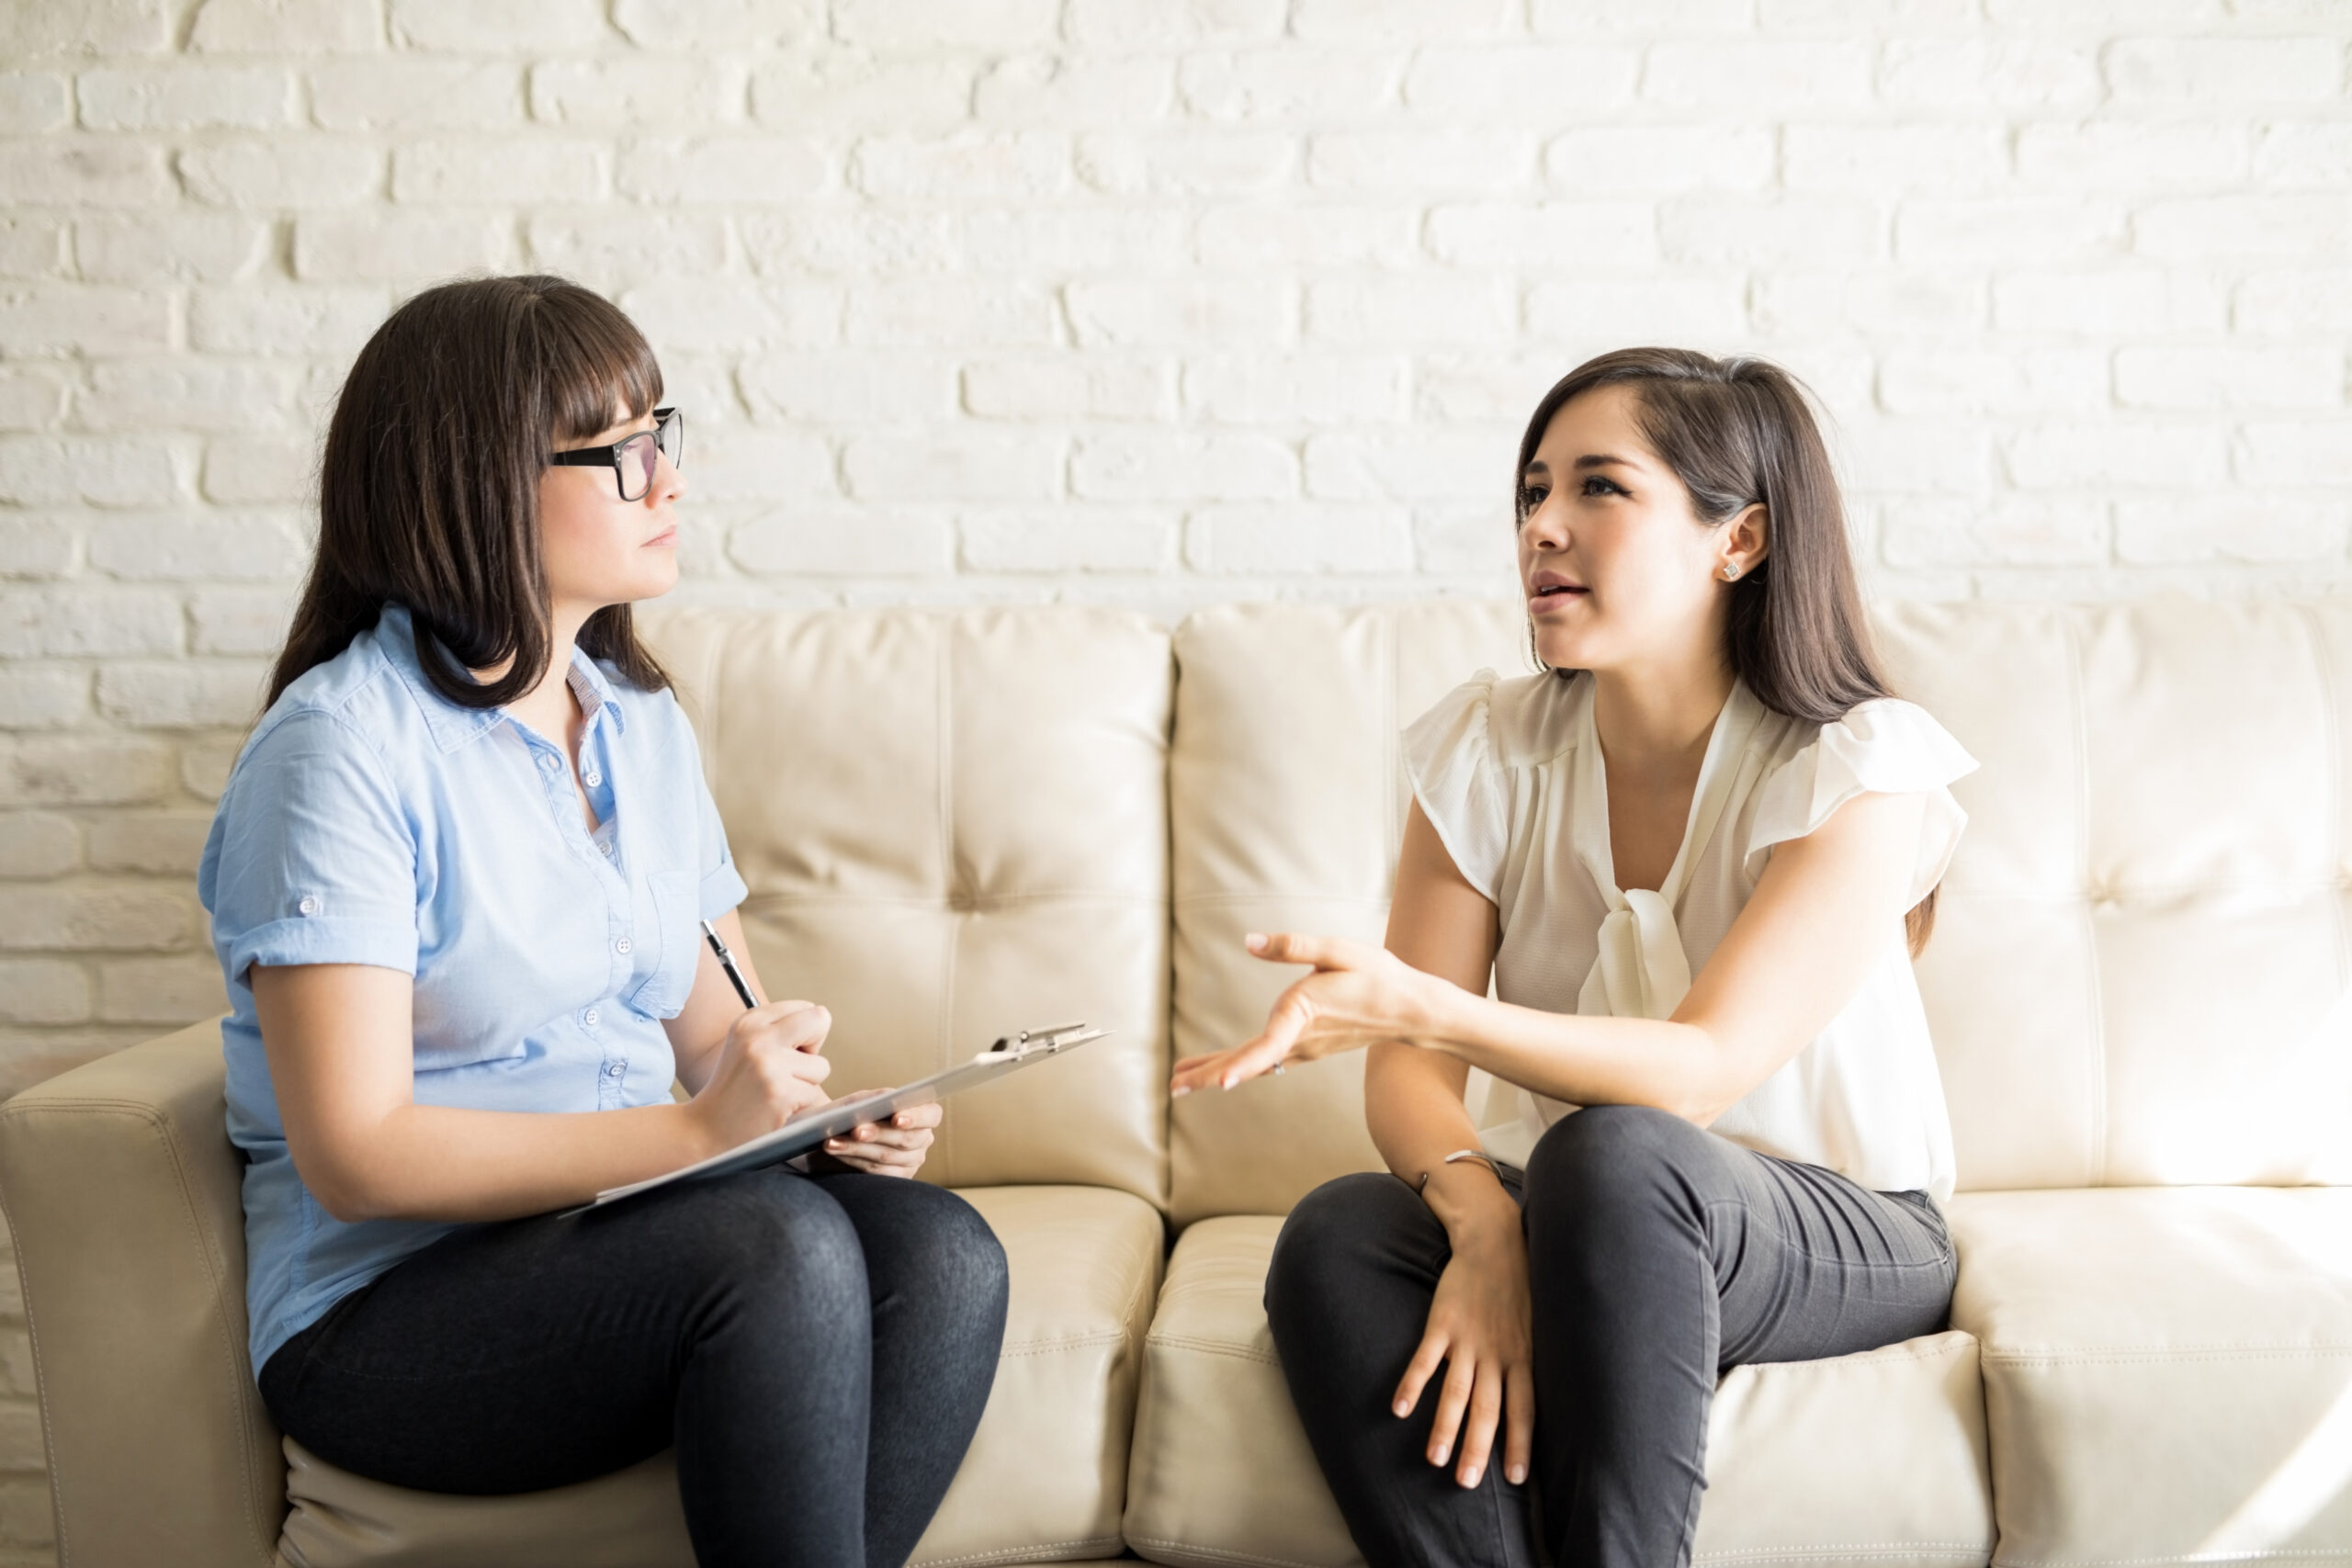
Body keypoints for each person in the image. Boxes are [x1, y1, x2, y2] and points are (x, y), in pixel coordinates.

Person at [198, 275, 1008, 1568]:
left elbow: (719, 1039)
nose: (668, 480)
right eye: (622, 452)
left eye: (660, 434)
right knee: (775, 1249)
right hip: (386, 1308)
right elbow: (356, 1152)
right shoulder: (339, 750)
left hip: (615, 1242)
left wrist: (811, 1126)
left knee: (945, 1253)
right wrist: (696, 1134)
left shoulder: (639, 725)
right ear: (477, 485)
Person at [1171, 347, 1977, 1568]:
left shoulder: (1858, 763)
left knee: (1615, 1151)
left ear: (1740, 539)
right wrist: (1482, 1227)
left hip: (1838, 1222)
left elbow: (1699, 1069)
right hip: (1580, 1209)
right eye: (1532, 492)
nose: (1542, 526)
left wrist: (1424, 1007)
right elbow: (1408, 1080)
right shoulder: (1487, 749)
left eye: (1600, 487)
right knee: (1342, 1233)